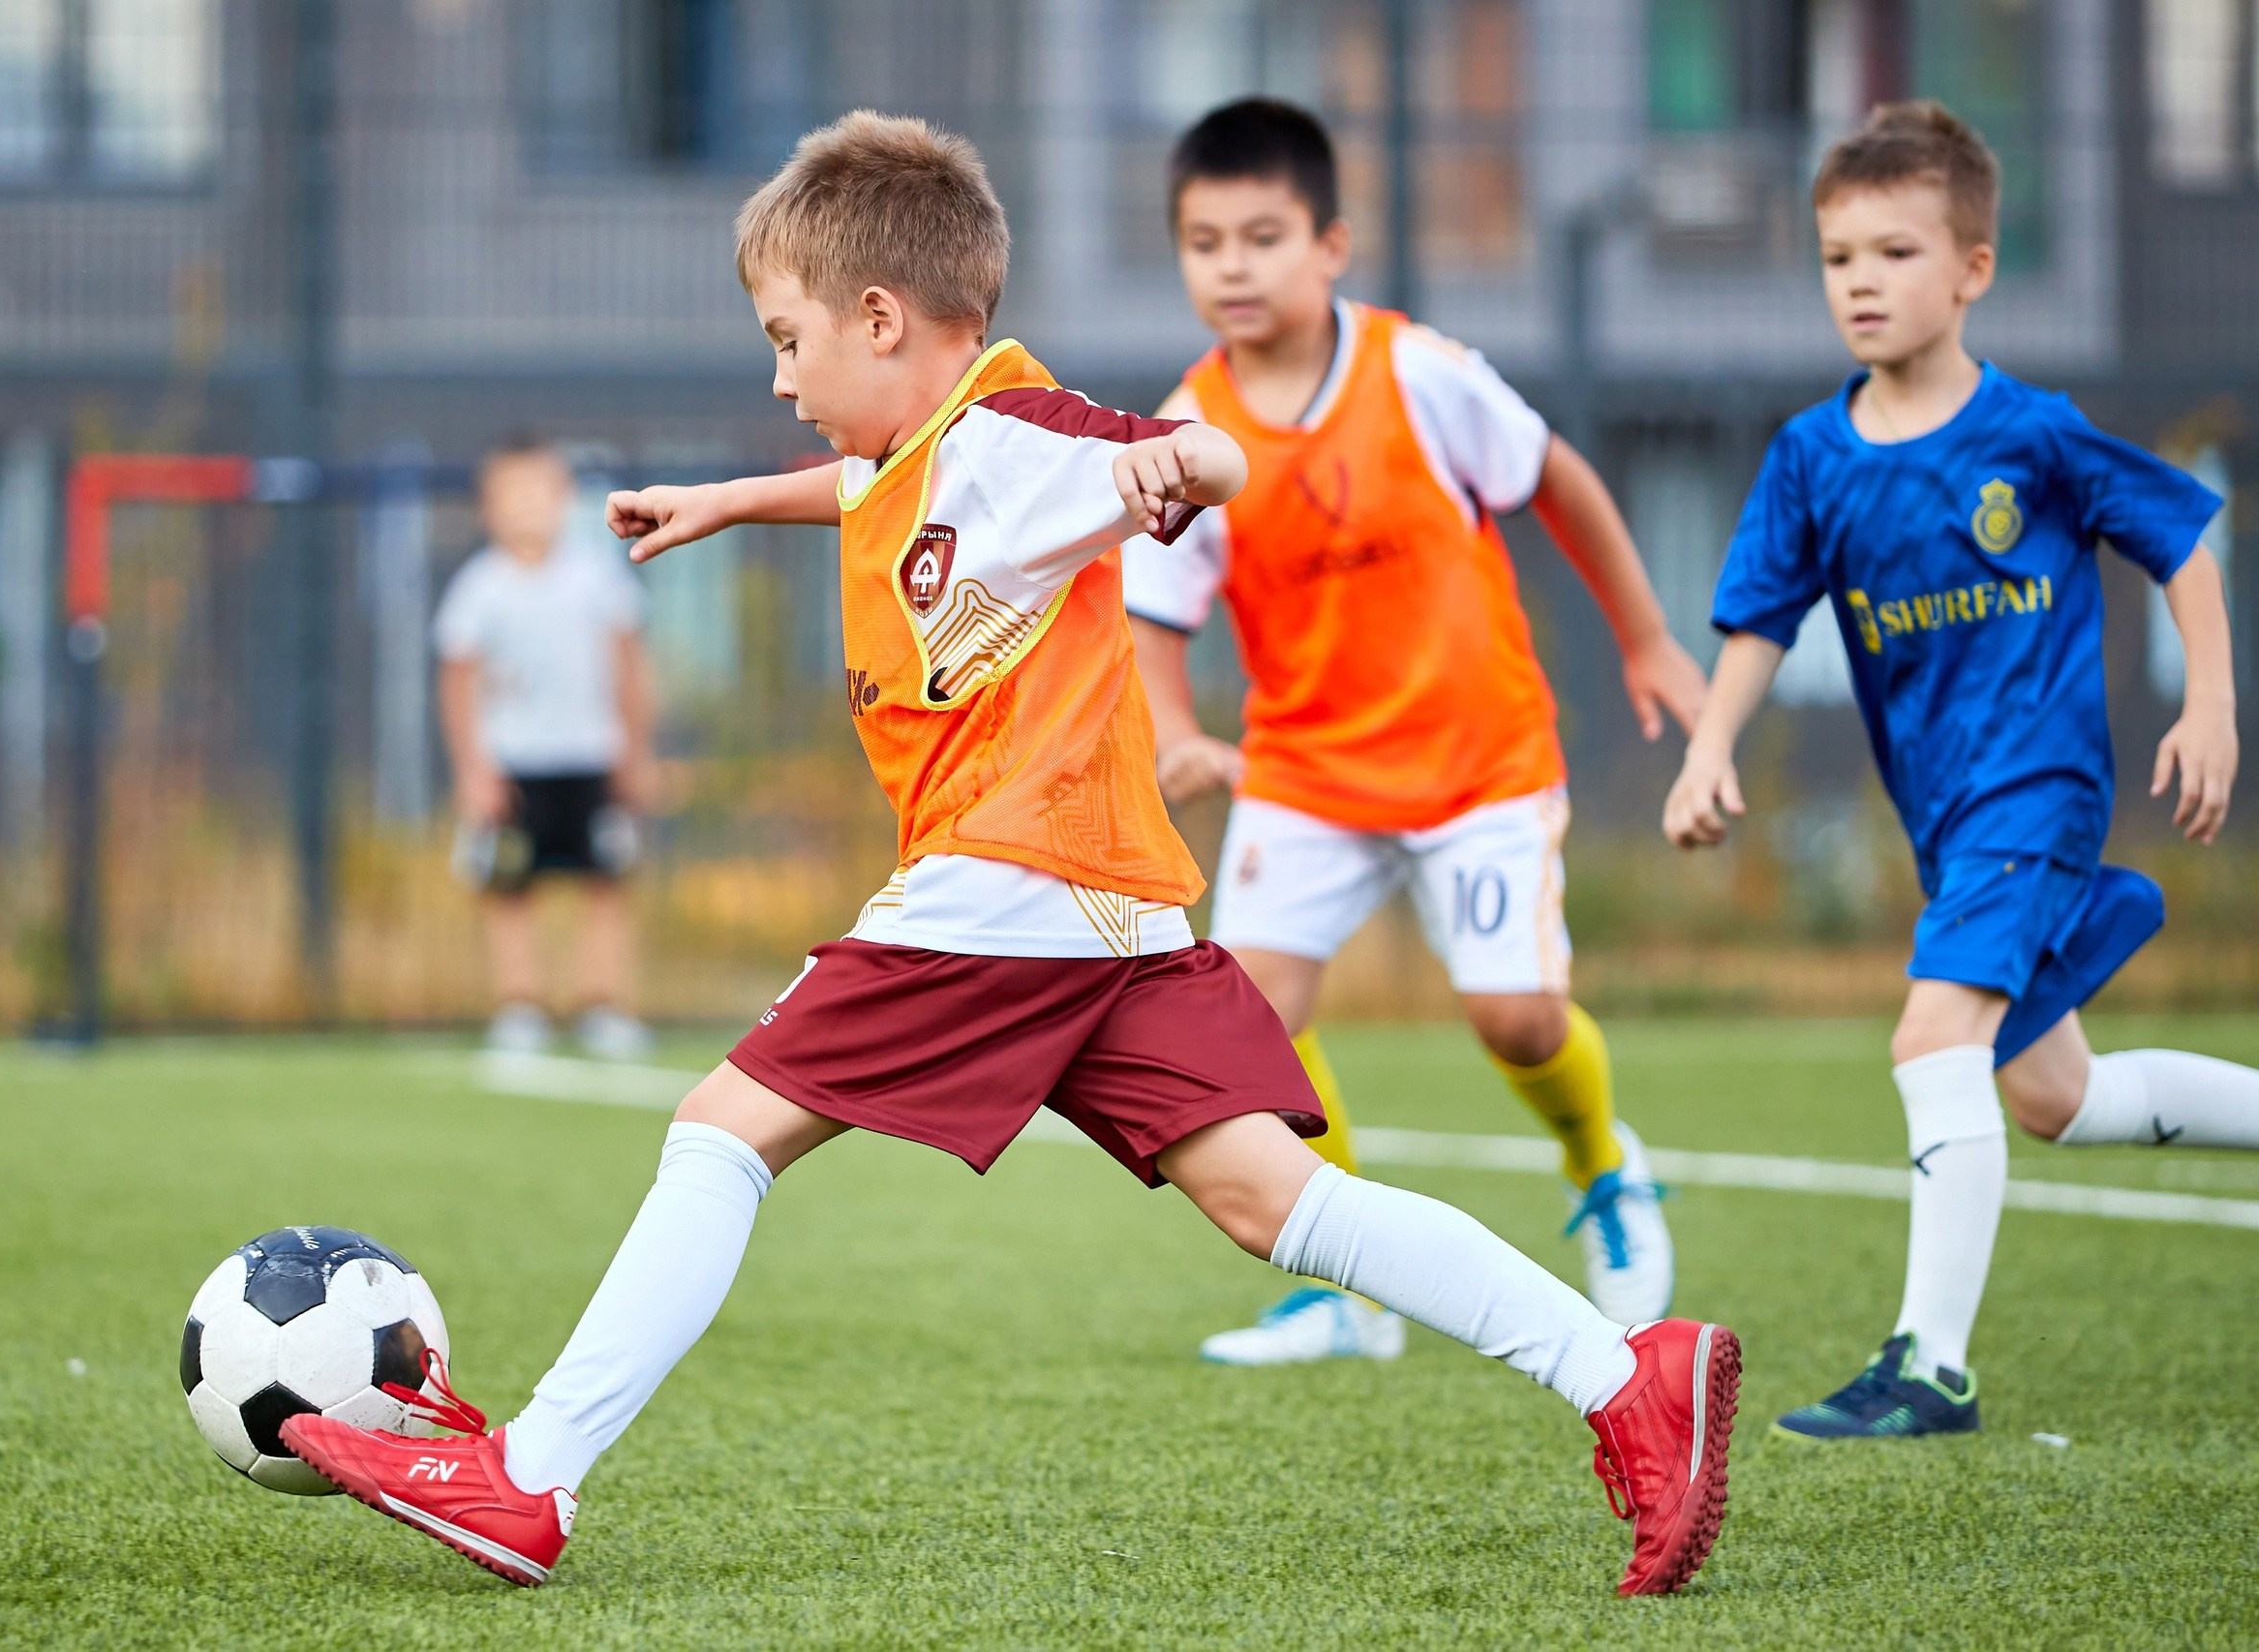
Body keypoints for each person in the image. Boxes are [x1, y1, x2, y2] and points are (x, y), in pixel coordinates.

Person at [284, 111, 1740, 1598]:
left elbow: (1191, 452)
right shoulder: (925, 445)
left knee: (723, 1128)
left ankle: (532, 1478)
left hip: (1012, 878)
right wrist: (727, 502)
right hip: (1101, 904)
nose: (781, 381)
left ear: (879, 318)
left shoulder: (1015, 433)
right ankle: (1629, 1373)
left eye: (788, 343)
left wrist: (1189, 467)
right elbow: (874, 491)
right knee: (1274, 1201)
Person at [1664, 101, 2258, 1442]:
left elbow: (2182, 541)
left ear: (1972, 270)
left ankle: (1931, 1365)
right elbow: (1760, 618)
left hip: (2035, 789)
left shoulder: (2033, 434)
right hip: (1945, 816)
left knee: (1935, 1040)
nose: (1861, 282)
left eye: (1894, 251)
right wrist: (1709, 750)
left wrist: (2210, 702)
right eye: (1837, 258)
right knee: (2057, 1096)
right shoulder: (1812, 456)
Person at [1122, 100, 1703, 1363]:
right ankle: (1350, 1290)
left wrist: (1648, 636)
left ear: (1332, 244)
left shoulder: (1418, 371)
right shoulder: (1183, 433)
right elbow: (1152, 612)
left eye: (1262, 235)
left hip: (1474, 759)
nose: (1233, 263)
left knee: (1518, 1020)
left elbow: (1560, 480)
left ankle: (1604, 1164)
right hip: (1306, 770)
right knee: (1252, 1029)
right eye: (1204, 239)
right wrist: (1172, 729)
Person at [434, 434, 657, 1060]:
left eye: (540, 491)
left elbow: (629, 666)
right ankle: (520, 1006)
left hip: (593, 759)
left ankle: (602, 1004)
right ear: (487, 506)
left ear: (564, 498)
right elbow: (458, 682)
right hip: (513, 766)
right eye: (512, 494)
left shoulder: (596, 577)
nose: (528, 506)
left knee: (606, 884)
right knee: (509, 888)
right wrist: (473, 770)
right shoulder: (479, 587)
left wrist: (635, 755)